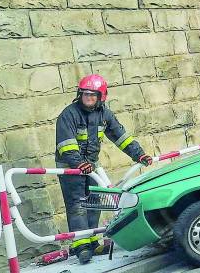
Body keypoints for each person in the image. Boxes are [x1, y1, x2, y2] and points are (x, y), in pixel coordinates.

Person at [55, 74, 153, 264]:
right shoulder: (68, 114)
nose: (88, 98)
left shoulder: (104, 114)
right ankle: (81, 247)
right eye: (85, 94)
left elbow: (121, 137)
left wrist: (139, 154)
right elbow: (66, 145)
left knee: (94, 202)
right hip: (71, 168)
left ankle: (94, 243)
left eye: (93, 95)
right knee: (77, 205)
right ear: (79, 94)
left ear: (101, 97)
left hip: (92, 166)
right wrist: (78, 164)